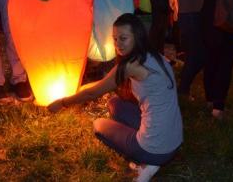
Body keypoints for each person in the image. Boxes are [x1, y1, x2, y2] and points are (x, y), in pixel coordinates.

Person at [48, 13, 182, 182]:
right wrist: (80, 89)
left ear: (137, 36)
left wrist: (63, 102)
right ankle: (150, 159)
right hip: (174, 140)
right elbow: (101, 85)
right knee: (114, 104)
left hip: (154, 148)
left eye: (123, 38)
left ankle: (145, 164)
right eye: (115, 39)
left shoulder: (131, 66)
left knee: (98, 125)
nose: (118, 44)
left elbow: (93, 92)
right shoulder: (156, 56)